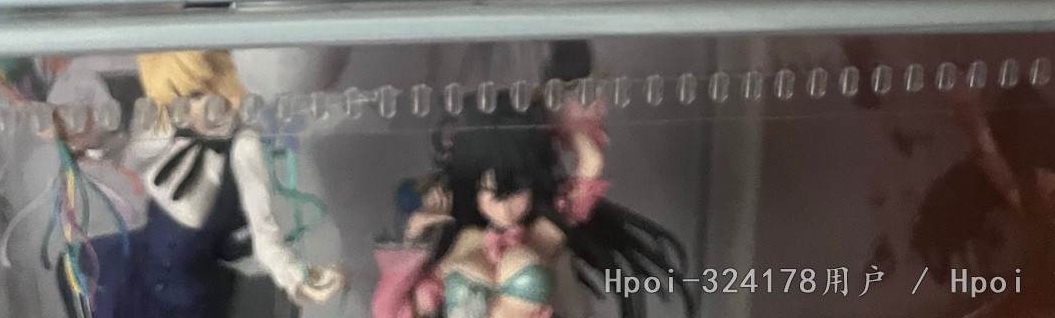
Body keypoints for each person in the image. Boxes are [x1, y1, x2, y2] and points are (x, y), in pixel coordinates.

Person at [57, 51, 346, 318]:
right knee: (80, 275)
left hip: (187, 295)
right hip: (136, 267)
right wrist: (86, 136)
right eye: (180, 100)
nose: (194, 110)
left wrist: (296, 277)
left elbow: (266, 236)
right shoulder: (168, 128)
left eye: (199, 94)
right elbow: (125, 155)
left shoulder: (244, 147)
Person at [373, 93, 690, 318]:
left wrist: (554, 118)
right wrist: (414, 235)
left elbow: (591, 163)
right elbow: (390, 312)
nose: (505, 208)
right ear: (472, 190)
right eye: (491, 193)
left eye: (517, 191)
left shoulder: (543, 234)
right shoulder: (463, 245)